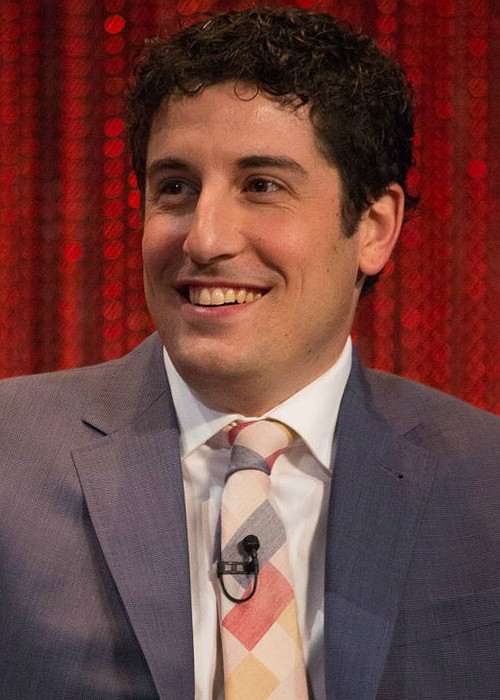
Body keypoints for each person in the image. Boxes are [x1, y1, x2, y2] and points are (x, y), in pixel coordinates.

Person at [1, 6, 499, 700]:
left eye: (261, 186)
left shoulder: (485, 483)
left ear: (375, 227)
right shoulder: (10, 457)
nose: (204, 238)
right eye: (175, 187)